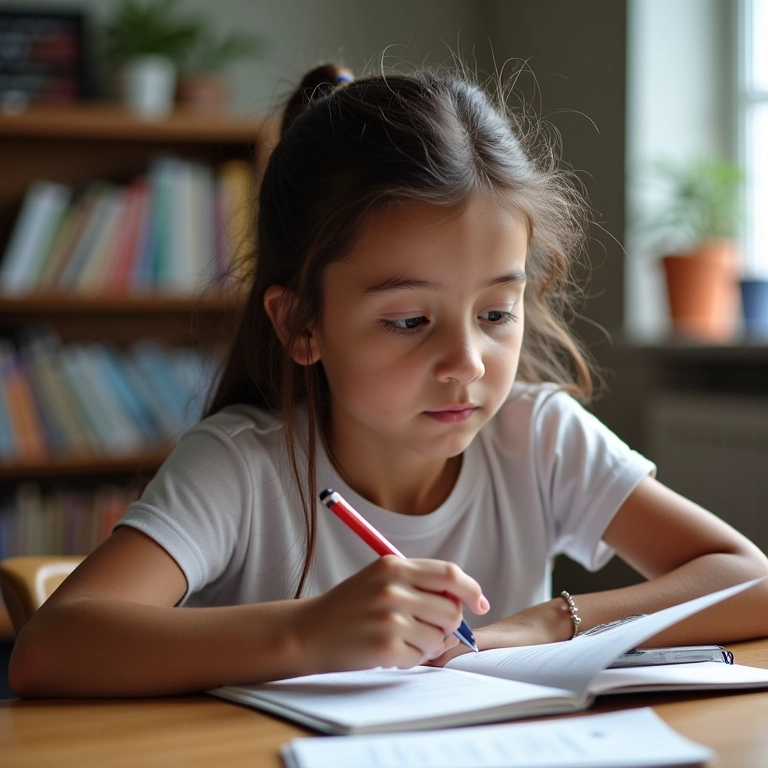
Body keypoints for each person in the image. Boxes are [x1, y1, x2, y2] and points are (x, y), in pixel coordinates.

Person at [10, 63, 768, 698]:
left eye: (496, 313)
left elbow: (747, 578)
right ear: (302, 325)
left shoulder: (536, 434)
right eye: (409, 321)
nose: (467, 362)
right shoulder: (241, 466)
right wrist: (307, 631)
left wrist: (541, 623)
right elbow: (49, 651)